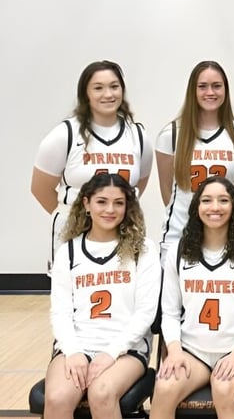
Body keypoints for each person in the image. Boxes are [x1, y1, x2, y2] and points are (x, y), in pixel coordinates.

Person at [151, 176, 234, 419]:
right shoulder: (179, 251)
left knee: (224, 388)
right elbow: (170, 313)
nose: (215, 207)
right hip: (192, 351)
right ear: (196, 207)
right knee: (163, 388)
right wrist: (173, 350)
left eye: (223, 200)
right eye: (207, 200)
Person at [45, 173, 160, 419]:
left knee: (102, 392)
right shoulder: (68, 252)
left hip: (125, 350)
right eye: (101, 202)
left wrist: (111, 353)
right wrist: (74, 351)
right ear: (86, 204)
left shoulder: (144, 250)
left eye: (119, 203)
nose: (110, 209)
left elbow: (145, 313)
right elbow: (60, 312)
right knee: (57, 397)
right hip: (76, 346)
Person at [31, 60, 153, 271]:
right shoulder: (65, 134)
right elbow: (40, 188)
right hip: (75, 229)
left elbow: (138, 186)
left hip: (122, 229)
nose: (108, 94)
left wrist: (111, 212)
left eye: (114, 86)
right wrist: (79, 214)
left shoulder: (138, 136)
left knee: (124, 293)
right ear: (85, 94)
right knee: (73, 296)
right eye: (98, 88)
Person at [156, 60, 234, 263]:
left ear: (225, 90)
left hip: (224, 236)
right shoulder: (171, 134)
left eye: (217, 86)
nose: (210, 92)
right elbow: (167, 191)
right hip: (179, 235)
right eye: (203, 86)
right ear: (193, 91)